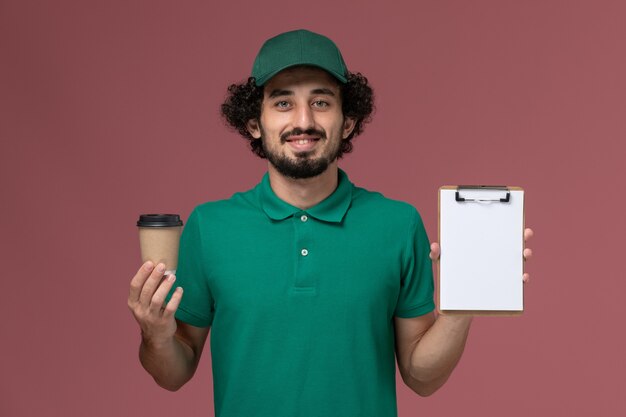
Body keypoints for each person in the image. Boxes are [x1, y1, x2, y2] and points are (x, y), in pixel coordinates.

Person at [128, 29, 534, 417]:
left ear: (348, 121)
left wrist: (465, 299)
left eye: (321, 102)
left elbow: (420, 377)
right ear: (254, 122)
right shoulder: (209, 226)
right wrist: (156, 334)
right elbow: (173, 373)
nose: (303, 121)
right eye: (283, 103)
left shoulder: (398, 224)